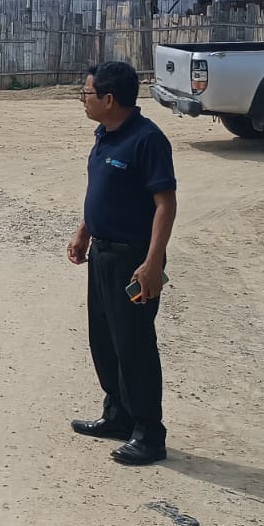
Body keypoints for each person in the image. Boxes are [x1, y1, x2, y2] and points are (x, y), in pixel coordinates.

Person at [67, 61, 177, 466]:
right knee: (105, 340)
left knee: (134, 346)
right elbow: (103, 189)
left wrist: (152, 263)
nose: (82, 99)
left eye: (87, 92)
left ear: (109, 99)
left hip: (133, 259)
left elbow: (165, 204)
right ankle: (118, 415)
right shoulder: (105, 135)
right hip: (103, 254)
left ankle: (149, 434)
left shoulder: (147, 140)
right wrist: (84, 231)